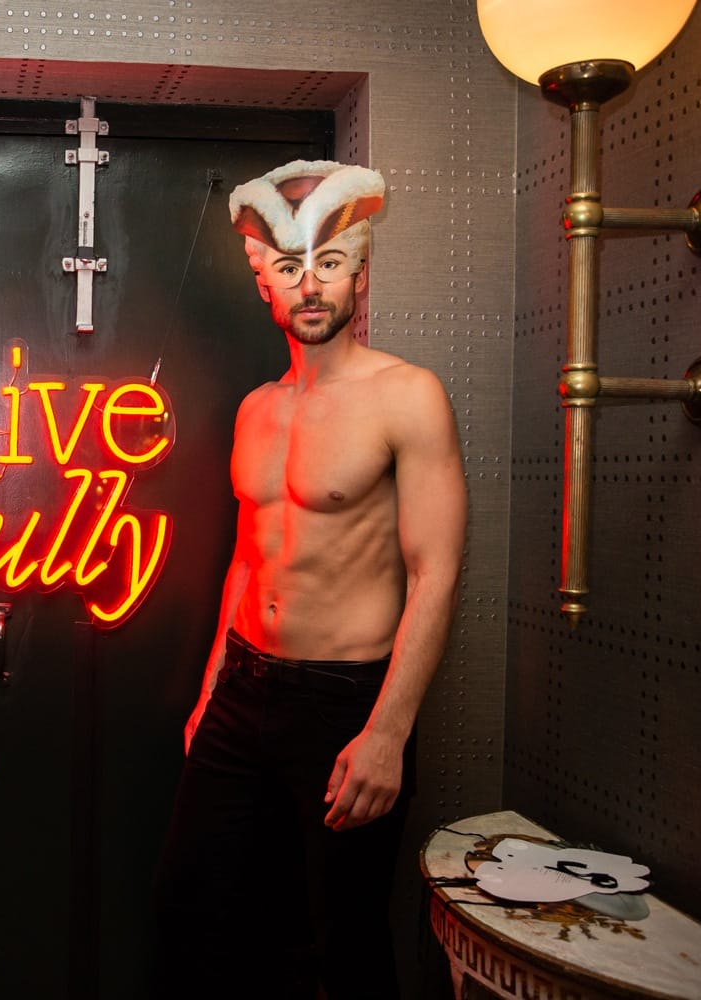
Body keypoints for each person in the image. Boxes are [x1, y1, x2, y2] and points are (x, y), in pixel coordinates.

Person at [153, 160, 466, 998]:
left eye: (330, 264)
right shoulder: (256, 409)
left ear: (358, 274)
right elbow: (248, 559)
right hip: (241, 693)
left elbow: (435, 573)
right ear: (267, 287)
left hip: (345, 702)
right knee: (198, 919)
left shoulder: (408, 396)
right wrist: (210, 693)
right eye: (292, 269)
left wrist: (388, 733)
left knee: (338, 943)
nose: (312, 286)